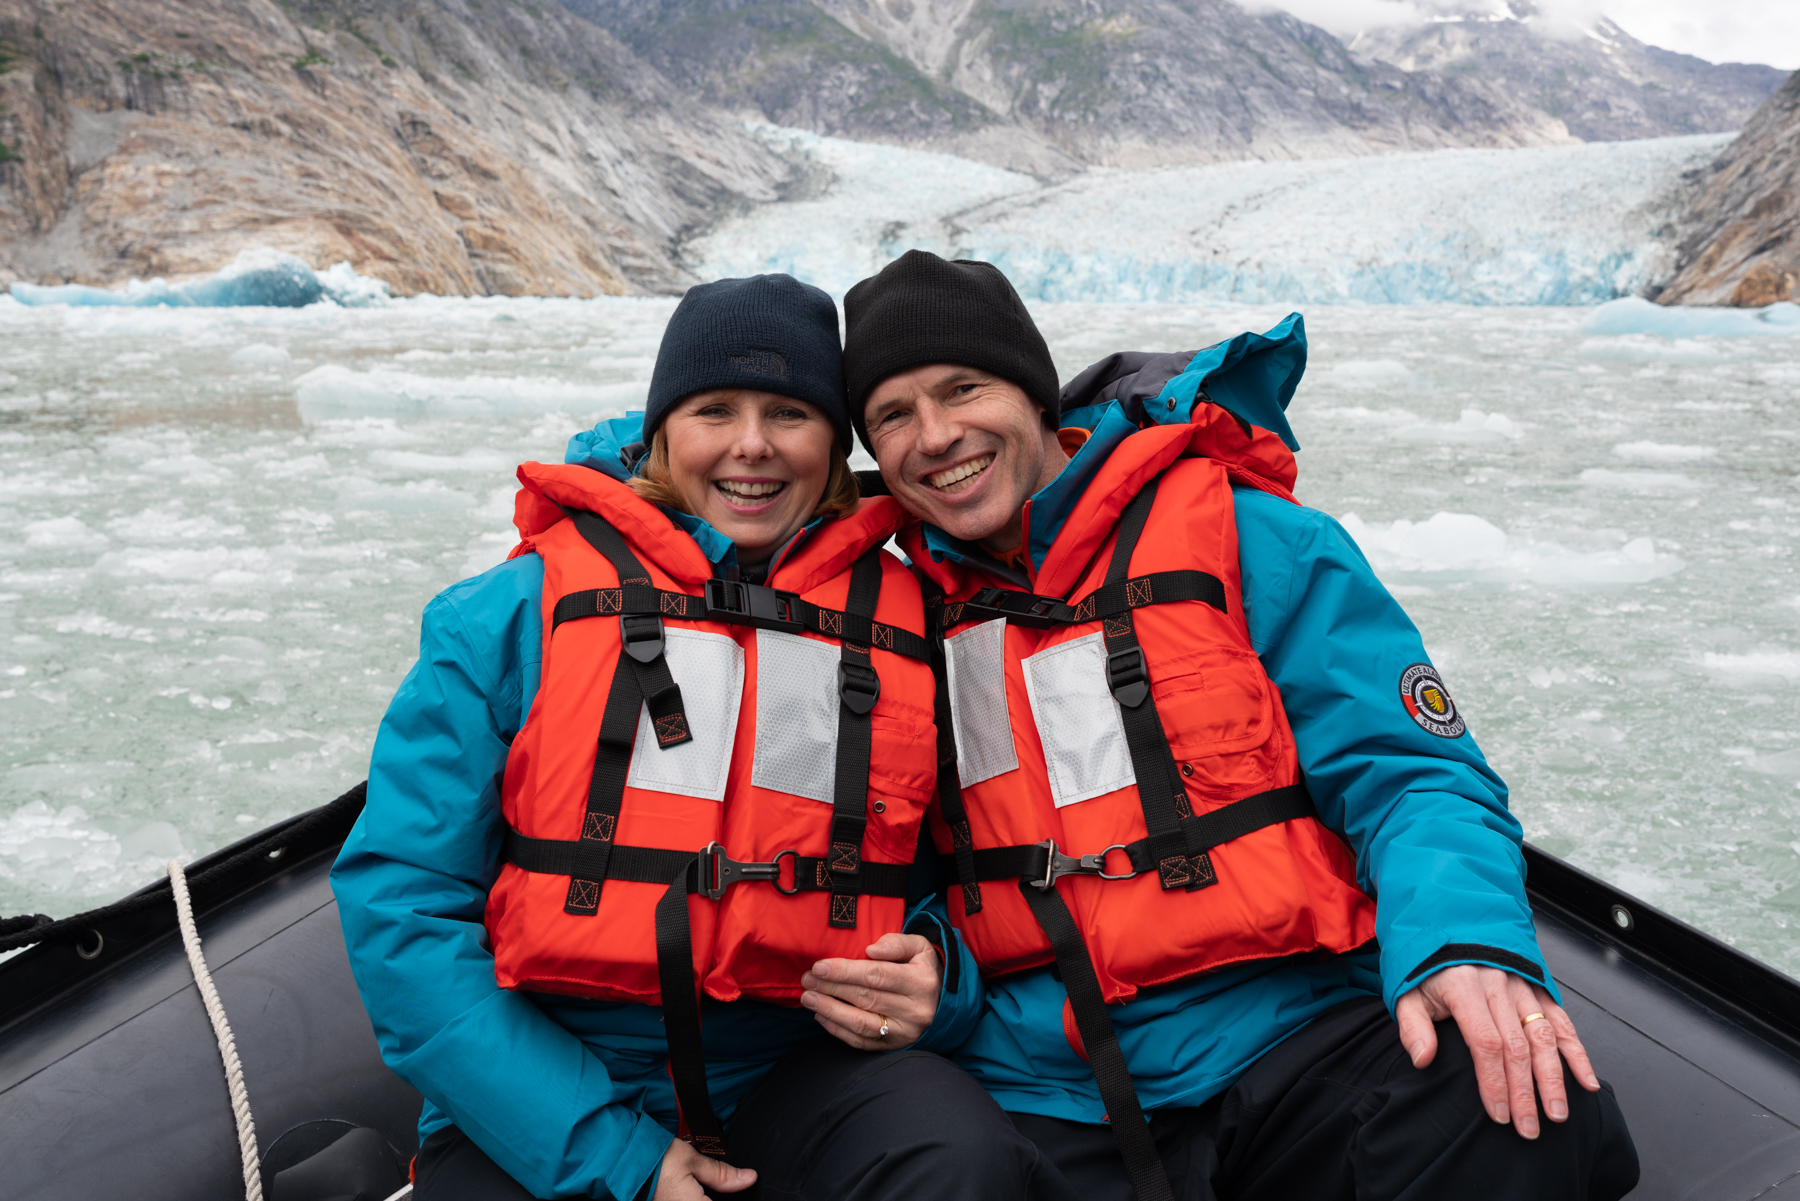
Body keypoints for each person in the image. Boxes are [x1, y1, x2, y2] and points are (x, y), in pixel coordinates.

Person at [808, 250, 1640, 1201]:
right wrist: (936, 982)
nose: (937, 436)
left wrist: (1463, 941)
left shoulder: (1252, 536)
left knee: (1524, 1113)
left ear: (1034, 395)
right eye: (893, 416)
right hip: (1050, 1080)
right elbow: (896, 879)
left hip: (1300, 1033)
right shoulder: (889, 621)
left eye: (965, 389)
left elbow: (1410, 776)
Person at [331, 273, 1050, 1201]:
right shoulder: (507, 614)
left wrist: (936, 980)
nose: (751, 445)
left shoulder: (911, 623)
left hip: (798, 1067)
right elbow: (405, 905)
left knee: (960, 1158)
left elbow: (955, 876)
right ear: (664, 431)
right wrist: (615, 1153)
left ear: (833, 444)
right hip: (561, 1074)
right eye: (716, 409)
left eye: (789, 412)